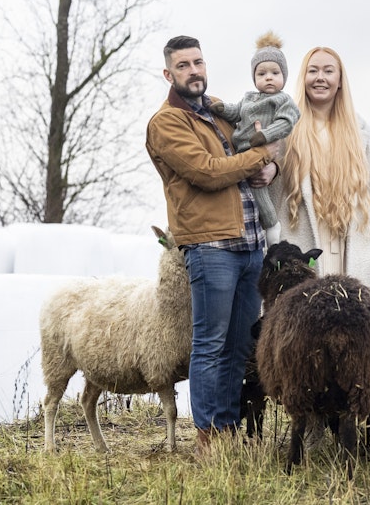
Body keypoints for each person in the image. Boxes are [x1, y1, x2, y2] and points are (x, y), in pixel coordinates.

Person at [145, 35, 281, 451]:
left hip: (251, 242)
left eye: (198, 62)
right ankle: (207, 435)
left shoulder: (222, 111)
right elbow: (207, 172)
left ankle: (228, 428)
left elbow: (261, 144)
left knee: (240, 344)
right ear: (169, 74)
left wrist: (272, 165)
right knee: (209, 343)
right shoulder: (166, 122)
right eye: (183, 65)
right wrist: (260, 157)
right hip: (210, 246)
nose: (194, 71)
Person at [268, 46, 370, 290]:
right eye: (313, 71)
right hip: (303, 243)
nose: (320, 78)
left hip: (352, 245)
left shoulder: (362, 135)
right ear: (303, 79)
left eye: (329, 71)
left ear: (340, 81)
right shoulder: (285, 131)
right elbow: (270, 195)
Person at [211, 31, 300, 244]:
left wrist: (265, 135)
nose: (268, 77)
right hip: (240, 153)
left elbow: (286, 123)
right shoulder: (248, 98)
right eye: (261, 74)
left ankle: (272, 233)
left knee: (259, 192)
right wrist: (222, 108)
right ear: (254, 78)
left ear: (284, 77)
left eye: (274, 73)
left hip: (261, 154)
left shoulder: (283, 100)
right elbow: (235, 112)